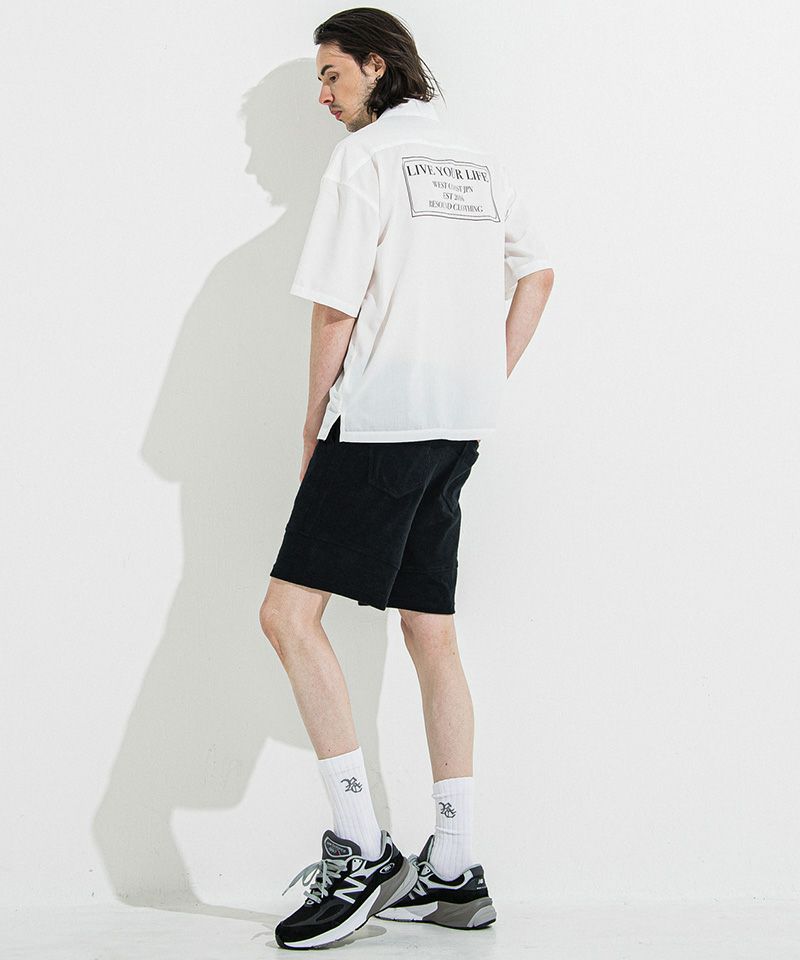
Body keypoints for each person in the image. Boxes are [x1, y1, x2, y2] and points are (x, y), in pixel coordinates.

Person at [259, 8, 554, 950]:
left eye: (333, 74)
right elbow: (539, 273)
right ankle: (455, 869)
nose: (324, 94)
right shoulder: (476, 160)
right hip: (457, 426)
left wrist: (314, 427)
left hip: (381, 421)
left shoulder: (367, 159)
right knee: (431, 629)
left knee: (286, 616)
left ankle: (362, 848)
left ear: (379, 67)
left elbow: (336, 306)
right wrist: (485, 377)